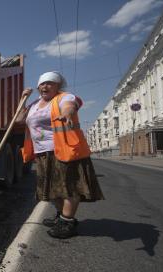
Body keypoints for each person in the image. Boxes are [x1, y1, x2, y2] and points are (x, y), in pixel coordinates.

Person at [19, 71, 104, 239]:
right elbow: (19, 119)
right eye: (42, 84)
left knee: (69, 187)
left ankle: (67, 222)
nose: (45, 86)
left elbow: (71, 105)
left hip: (65, 151)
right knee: (52, 189)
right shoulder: (34, 104)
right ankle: (61, 216)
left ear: (58, 86)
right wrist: (23, 99)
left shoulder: (64, 97)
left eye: (50, 83)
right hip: (42, 152)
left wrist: (67, 113)